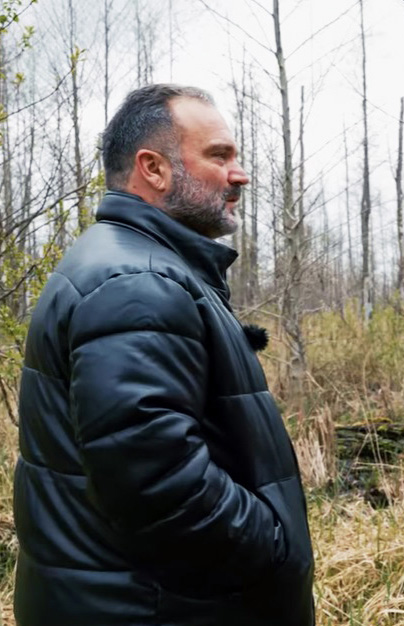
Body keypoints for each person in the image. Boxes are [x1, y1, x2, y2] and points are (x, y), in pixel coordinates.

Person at [14, 84, 315, 626]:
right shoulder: (136, 283)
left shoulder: (127, 264)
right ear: (152, 168)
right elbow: (159, 486)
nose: (239, 174)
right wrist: (274, 546)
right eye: (219, 156)